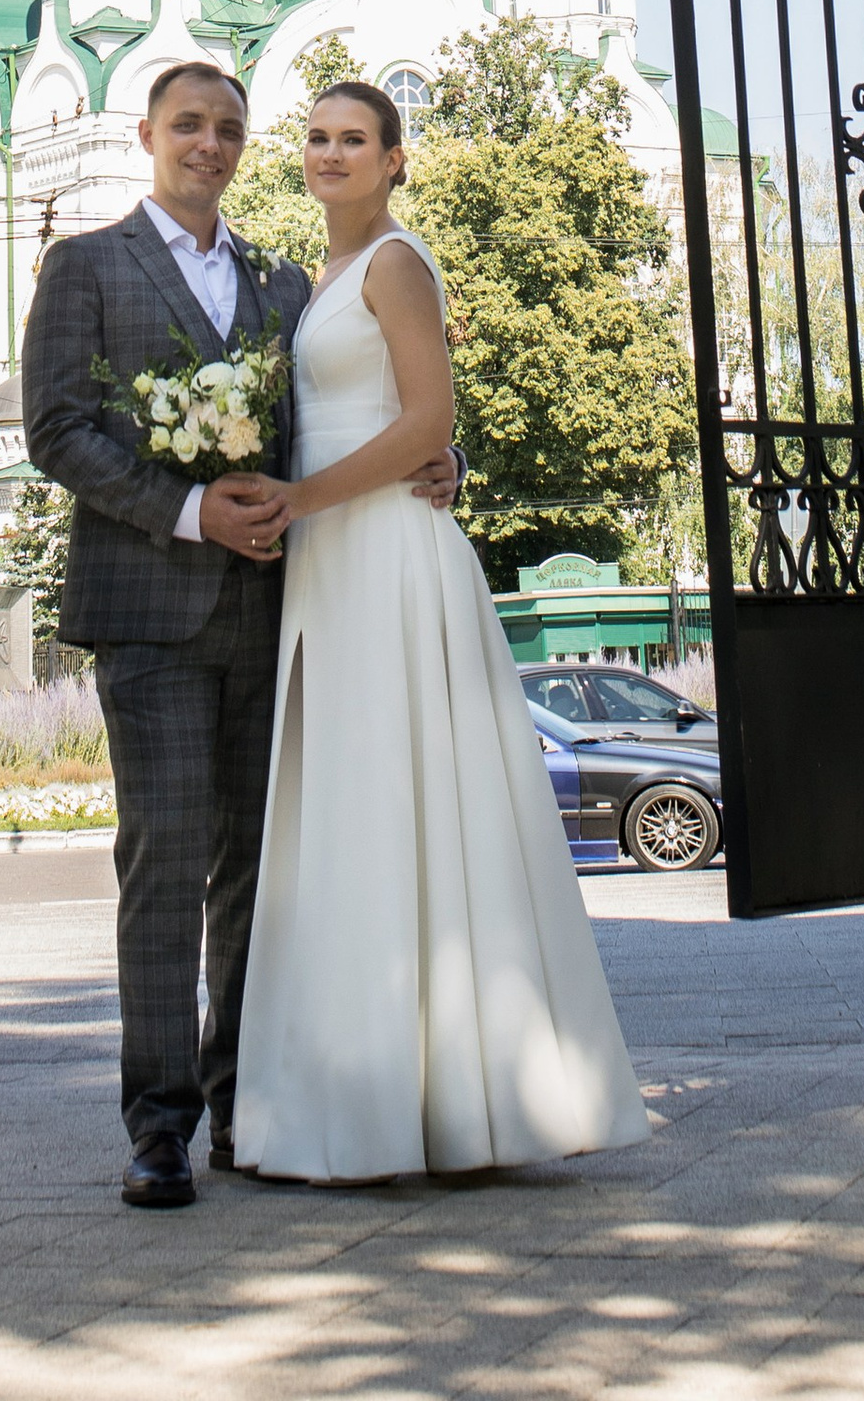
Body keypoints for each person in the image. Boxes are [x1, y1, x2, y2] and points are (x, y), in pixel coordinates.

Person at [18, 56, 460, 1209]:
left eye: (226, 128)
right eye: (187, 126)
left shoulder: (278, 282)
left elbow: (344, 414)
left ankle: (242, 1105)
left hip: (276, 608)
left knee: (257, 872)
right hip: (149, 614)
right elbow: (58, 430)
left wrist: (441, 455)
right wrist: (186, 507)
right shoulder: (86, 266)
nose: (208, 144)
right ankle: (158, 1125)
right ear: (148, 134)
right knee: (164, 860)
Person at [231, 79, 650, 1182]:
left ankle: (455, 1102)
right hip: (329, 564)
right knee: (352, 818)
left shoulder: (396, 265)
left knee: (408, 802)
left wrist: (302, 502)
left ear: (395, 160)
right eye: (316, 137)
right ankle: (375, 1092)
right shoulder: (309, 278)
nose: (329, 154)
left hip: (387, 560)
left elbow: (428, 420)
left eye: (354, 140)